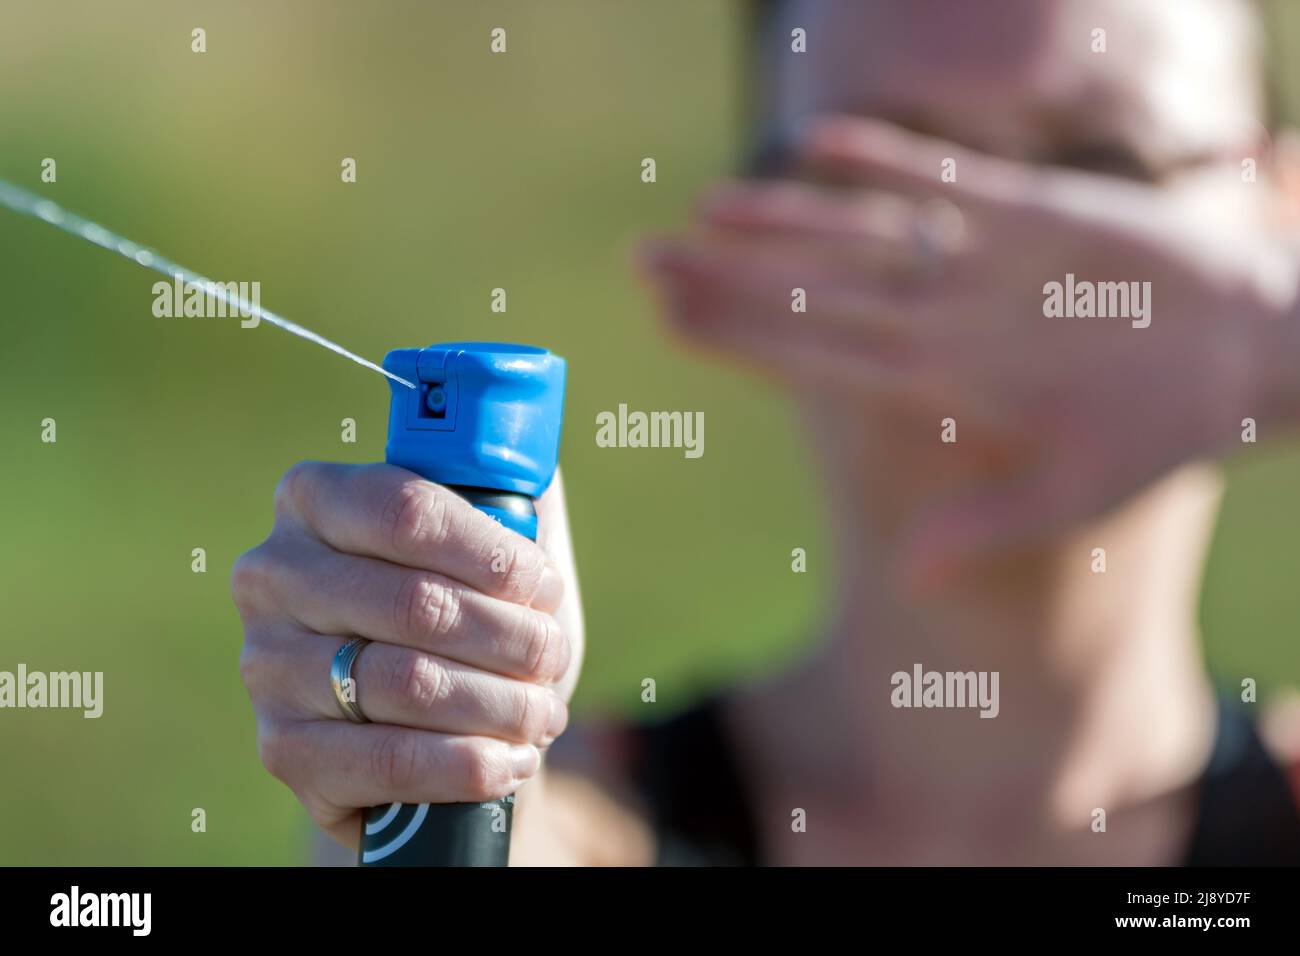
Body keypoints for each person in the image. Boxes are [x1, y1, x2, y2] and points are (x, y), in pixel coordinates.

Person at [234, 0, 1300, 865]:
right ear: (753, 231)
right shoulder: (604, 829)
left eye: (1100, 166)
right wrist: (444, 757)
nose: (996, 265)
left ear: (1279, 216)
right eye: (884, 177)